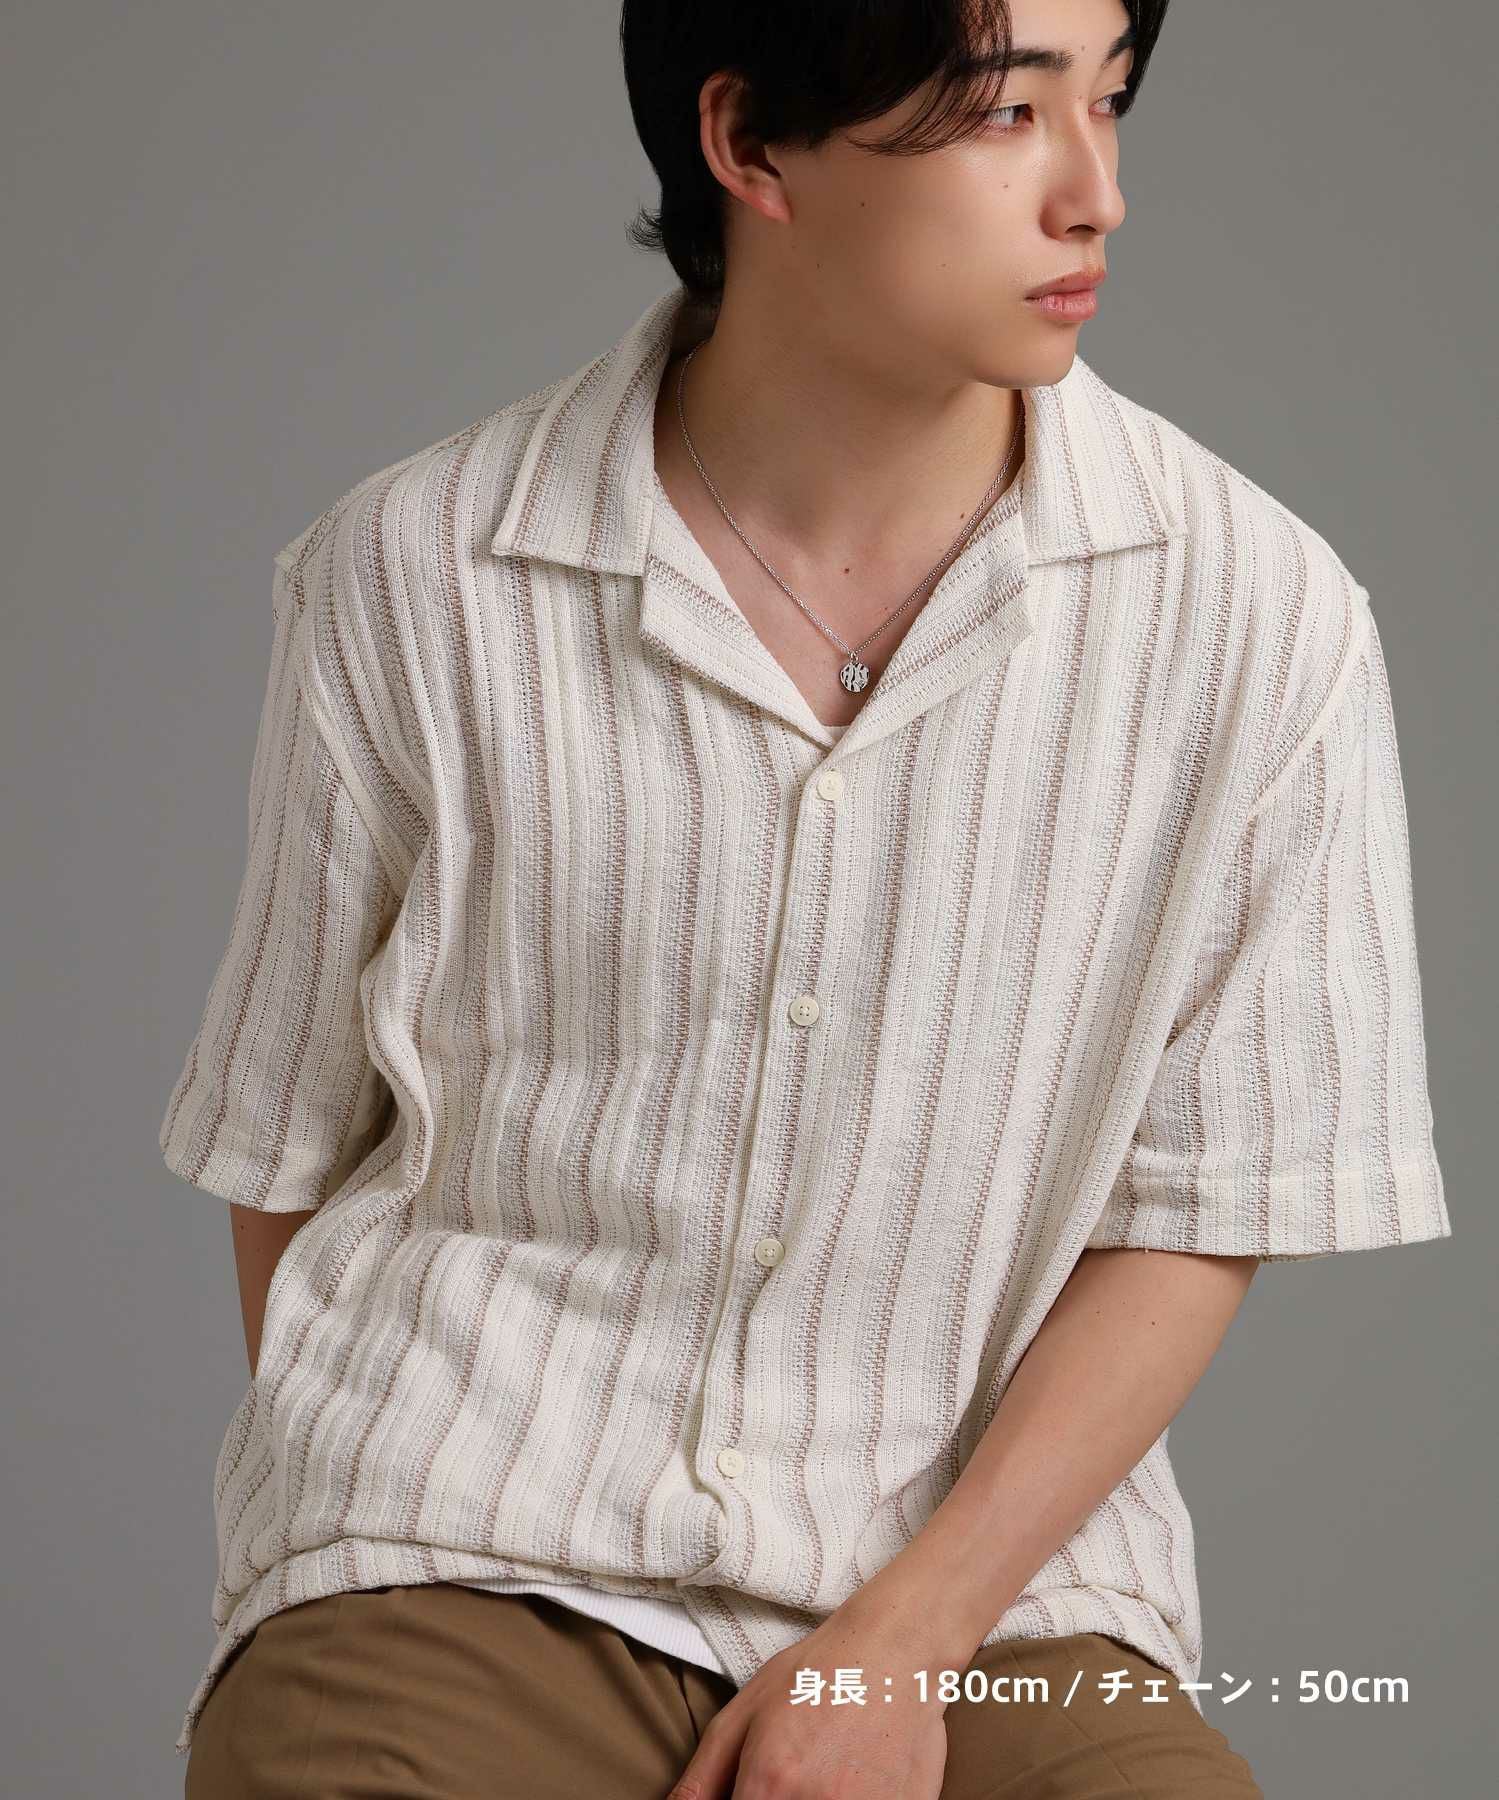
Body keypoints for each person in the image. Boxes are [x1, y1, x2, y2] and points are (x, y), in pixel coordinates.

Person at [161, 0, 1451, 1793]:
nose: (1096, 193)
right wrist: (382, 1552)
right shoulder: (416, 573)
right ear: (750, 141)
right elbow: (290, 1140)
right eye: (1006, 113)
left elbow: (1200, 1206)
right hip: (467, 1560)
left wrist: (905, 1641)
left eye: (1113, 101)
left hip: (1007, 1603)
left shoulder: (1259, 621)